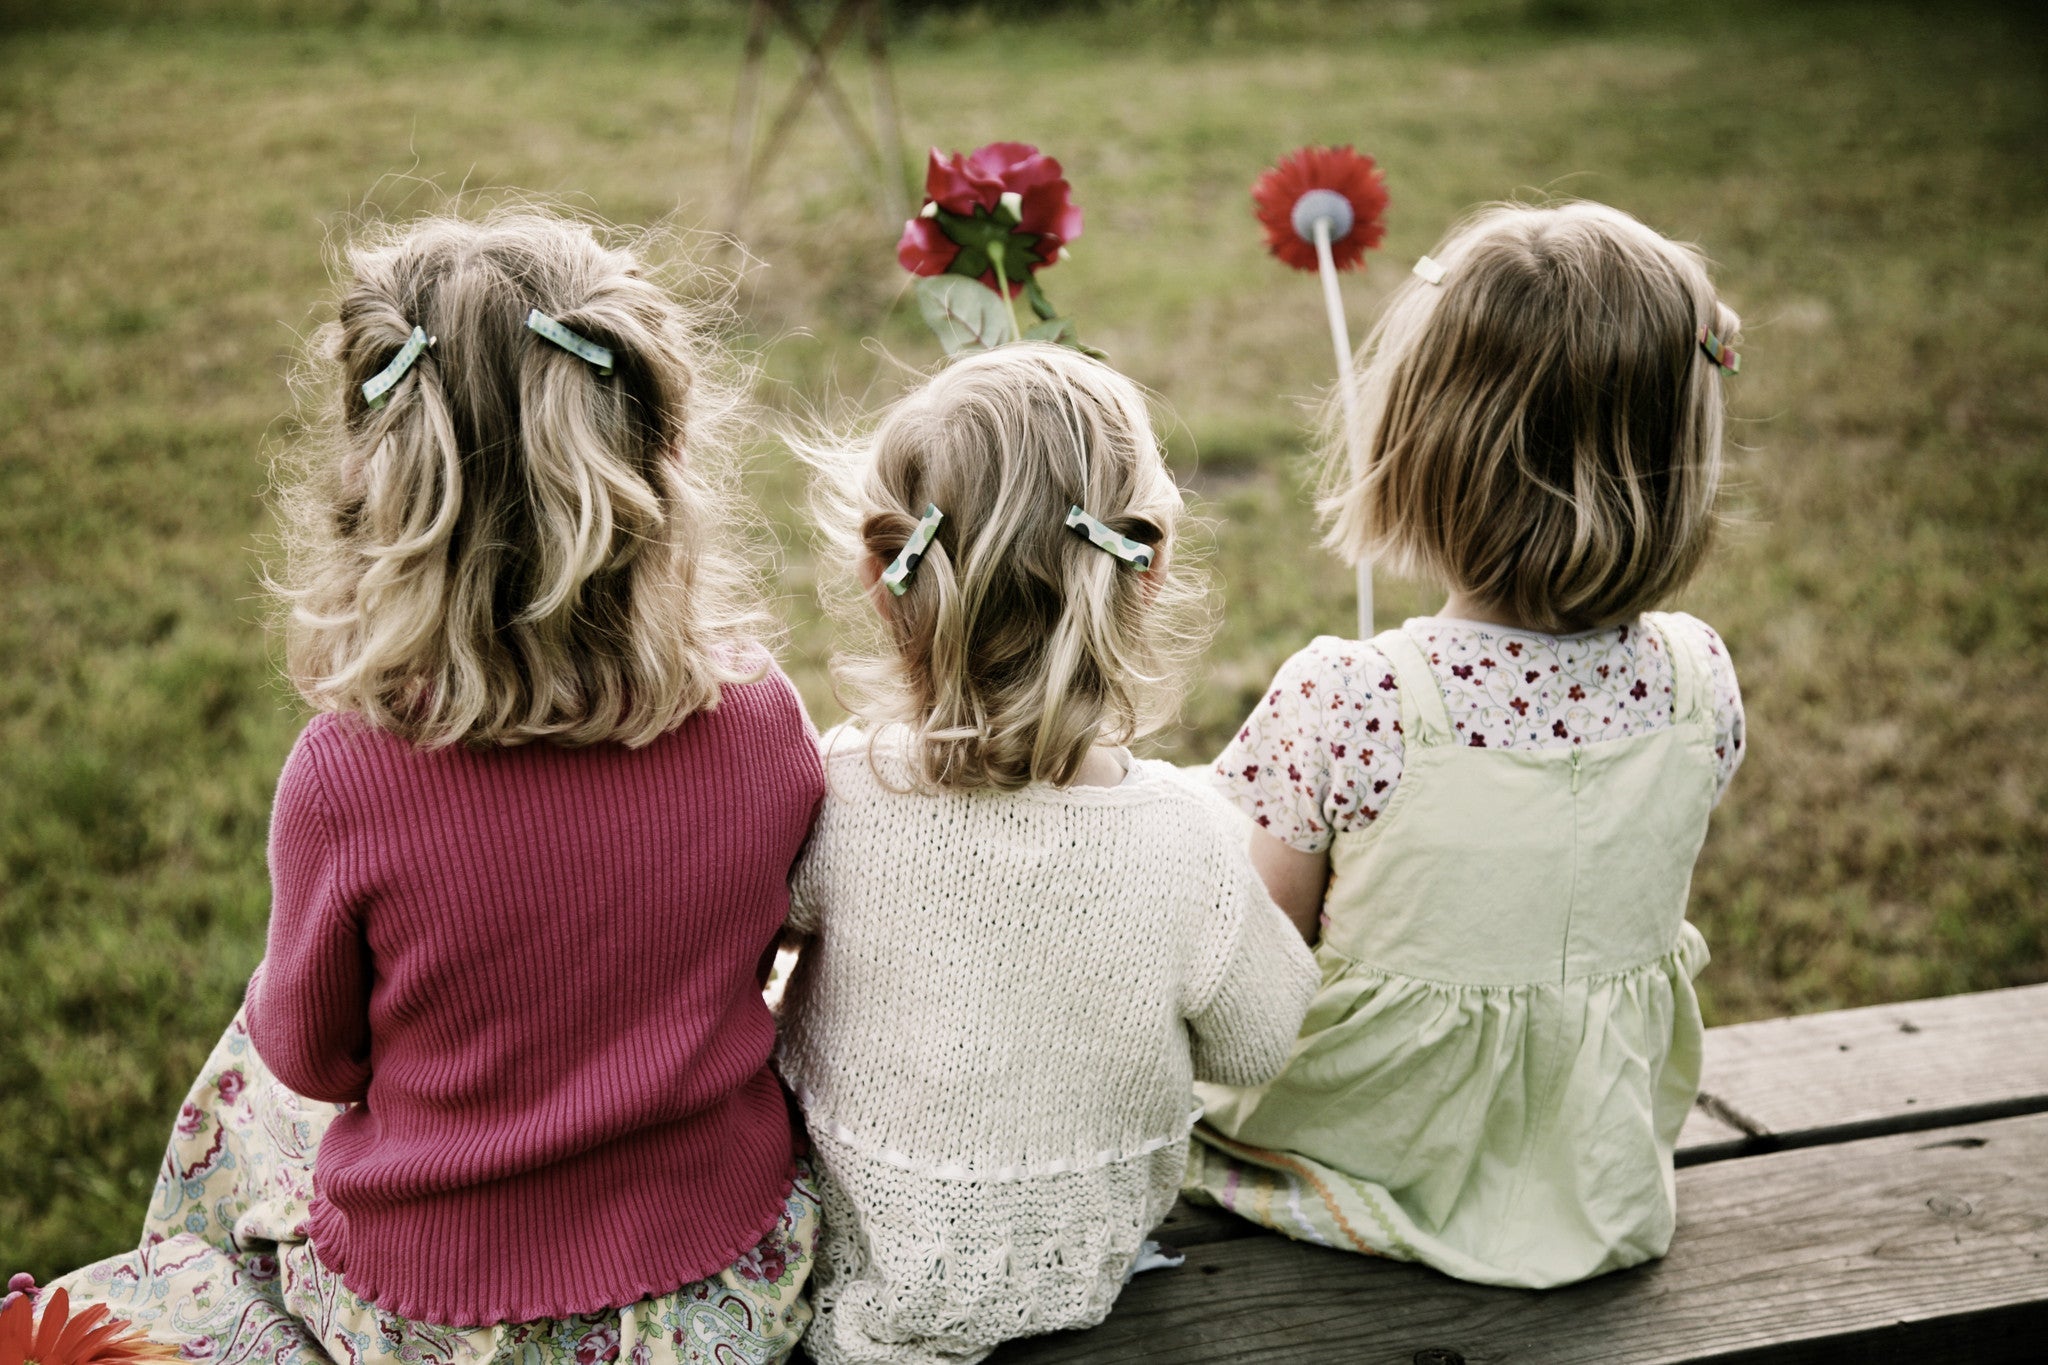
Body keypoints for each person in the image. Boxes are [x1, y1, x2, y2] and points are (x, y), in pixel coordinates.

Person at [55, 211, 826, 1365]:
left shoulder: (346, 780)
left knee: (241, 1077)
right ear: (655, 461)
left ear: (383, 499)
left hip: (444, 1323)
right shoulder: (762, 719)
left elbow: (315, 1061)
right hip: (719, 1289)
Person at [1191, 201, 1749, 1289]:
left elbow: (1256, 979)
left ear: (1417, 442)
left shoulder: (1355, 698)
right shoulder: (1696, 679)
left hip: (1365, 1151)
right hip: (1592, 1173)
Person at [779, 343, 1320, 1364]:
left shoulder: (836, 792)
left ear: (879, 567)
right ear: (1146, 567)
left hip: (849, 1236)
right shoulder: (1185, 833)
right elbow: (1256, 1043)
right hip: (1076, 1260)